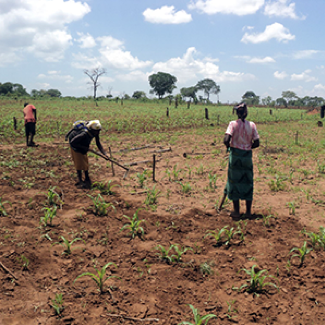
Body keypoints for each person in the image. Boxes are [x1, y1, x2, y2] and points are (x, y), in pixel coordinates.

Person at [223, 103, 260, 219]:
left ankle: (236, 211)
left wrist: (230, 146)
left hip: (235, 156)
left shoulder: (232, 124)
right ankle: (248, 212)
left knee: (234, 182)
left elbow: (226, 139)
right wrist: (247, 147)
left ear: (237, 113)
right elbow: (257, 142)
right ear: (246, 113)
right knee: (247, 182)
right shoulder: (252, 125)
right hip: (247, 157)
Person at [66, 120, 108, 189]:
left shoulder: (95, 132)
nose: (98, 132)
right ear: (91, 130)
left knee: (85, 161)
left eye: (99, 131)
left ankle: (87, 178)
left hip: (84, 145)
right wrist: (84, 147)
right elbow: (73, 142)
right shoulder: (84, 134)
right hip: (76, 146)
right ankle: (80, 181)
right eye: (96, 131)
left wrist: (105, 154)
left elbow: (98, 143)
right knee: (79, 163)